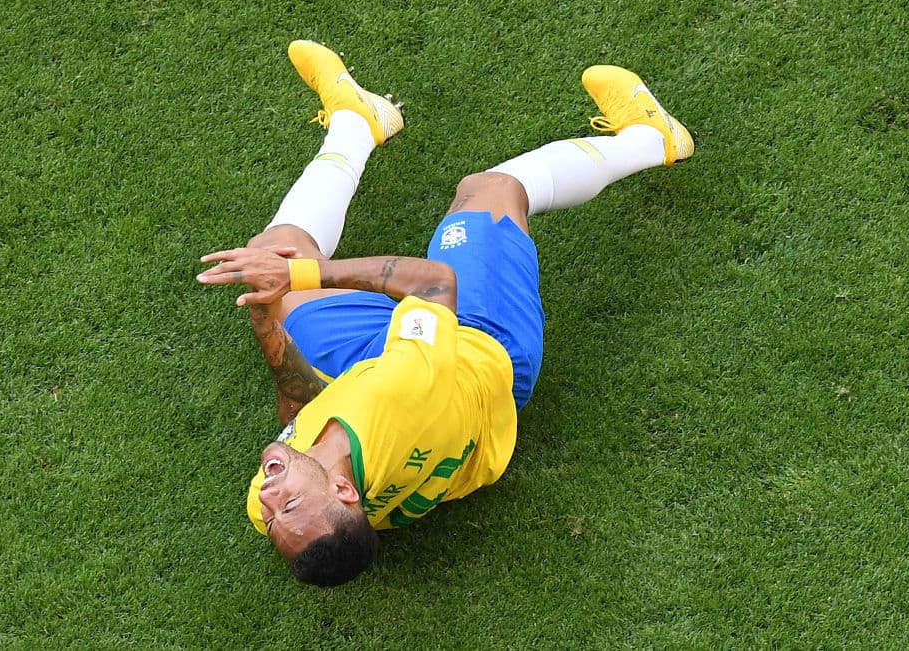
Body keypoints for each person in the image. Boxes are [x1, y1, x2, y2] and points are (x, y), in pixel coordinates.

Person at [196, 40, 694, 587]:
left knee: (277, 247)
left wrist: (267, 317)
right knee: (490, 189)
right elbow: (433, 284)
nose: (268, 498)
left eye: (272, 518)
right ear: (344, 491)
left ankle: (358, 122)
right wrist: (300, 279)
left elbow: (298, 413)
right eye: (286, 506)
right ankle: (653, 138)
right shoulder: (403, 398)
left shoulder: (282, 488)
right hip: (479, 349)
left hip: (380, 368)